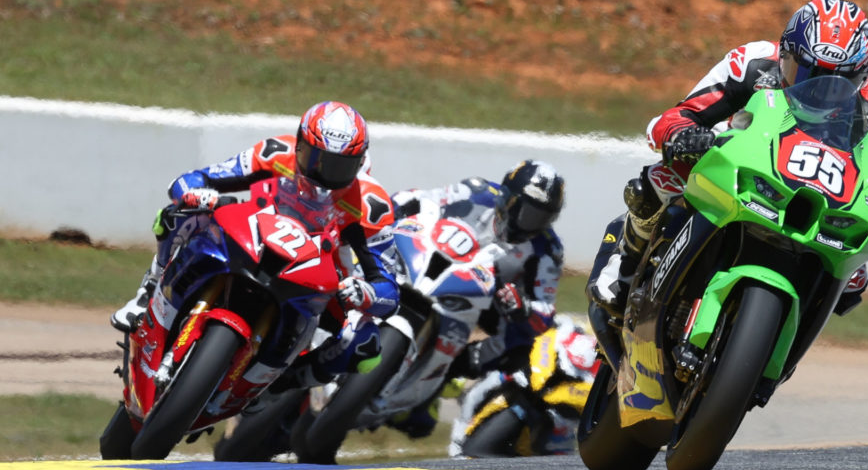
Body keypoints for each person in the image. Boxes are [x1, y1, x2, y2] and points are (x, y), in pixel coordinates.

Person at [588, 0, 868, 323]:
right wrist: (684, 135)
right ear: (785, 53)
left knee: (853, 280)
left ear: (862, 77)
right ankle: (626, 264)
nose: (817, 92)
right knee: (664, 177)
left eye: (836, 83)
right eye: (805, 73)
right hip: (741, 173)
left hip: (816, 207)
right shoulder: (751, 62)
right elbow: (677, 116)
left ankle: (785, 336)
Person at [110, 101, 401, 389]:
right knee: (177, 216)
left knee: (364, 343)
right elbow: (195, 179)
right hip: (254, 240)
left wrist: (365, 294)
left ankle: (284, 386)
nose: (323, 173)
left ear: (361, 163)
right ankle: (148, 290)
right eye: (315, 158)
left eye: (339, 167)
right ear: (299, 144)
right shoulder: (275, 153)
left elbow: (389, 290)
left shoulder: (371, 205)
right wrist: (198, 195)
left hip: (319, 279)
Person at [385, 159, 566, 437]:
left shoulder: (547, 249)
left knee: (521, 345)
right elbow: (424, 198)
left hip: (483, 303)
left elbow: (545, 311)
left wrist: (523, 307)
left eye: (542, 217)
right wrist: (396, 207)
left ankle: (431, 386)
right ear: (508, 199)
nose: (532, 223)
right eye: (528, 212)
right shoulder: (475, 191)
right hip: (431, 263)